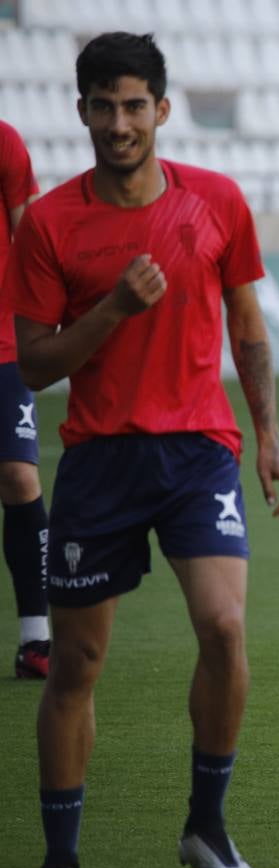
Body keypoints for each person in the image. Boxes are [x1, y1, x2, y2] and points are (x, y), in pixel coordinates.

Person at [3, 33, 279, 868]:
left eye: (136, 105)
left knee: (224, 628)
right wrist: (112, 311)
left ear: (161, 111)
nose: (120, 122)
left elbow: (248, 326)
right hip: (98, 460)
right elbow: (33, 362)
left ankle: (207, 831)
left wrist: (271, 440)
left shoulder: (215, 202)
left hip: (198, 453)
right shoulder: (53, 223)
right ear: (82, 112)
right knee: (75, 665)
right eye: (104, 106)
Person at [0, 119, 50, 681]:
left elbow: (29, 239)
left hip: (3, 342)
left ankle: (36, 637)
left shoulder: (4, 141)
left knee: (18, 475)